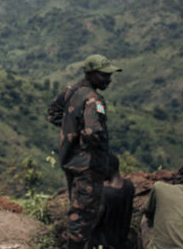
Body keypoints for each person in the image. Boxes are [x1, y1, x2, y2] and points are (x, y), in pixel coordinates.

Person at [48, 54, 121, 249]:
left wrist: (71, 131)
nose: (108, 79)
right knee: (84, 216)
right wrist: (85, 137)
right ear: (91, 74)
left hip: (71, 161)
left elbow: (53, 113)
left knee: (77, 210)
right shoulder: (94, 99)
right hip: (88, 165)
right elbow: (93, 132)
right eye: (104, 75)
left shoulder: (71, 91)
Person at [88, 152, 135, 249]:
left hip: (103, 244)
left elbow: (95, 220)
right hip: (121, 243)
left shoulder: (105, 193)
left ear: (108, 168)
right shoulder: (129, 186)